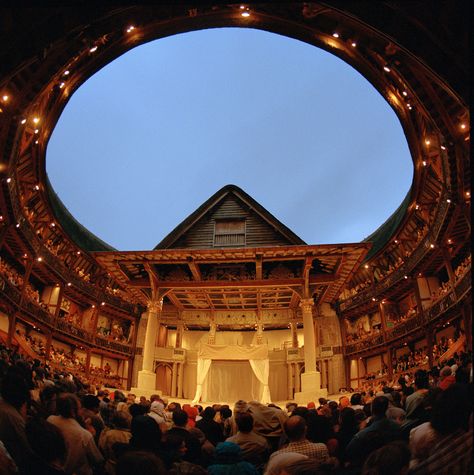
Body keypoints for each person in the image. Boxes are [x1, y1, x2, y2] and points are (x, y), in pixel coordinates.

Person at [47, 393, 104, 475]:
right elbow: (98, 460)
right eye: (80, 408)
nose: (82, 411)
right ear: (73, 411)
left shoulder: (50, 419)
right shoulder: (84, 435)